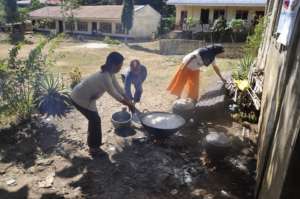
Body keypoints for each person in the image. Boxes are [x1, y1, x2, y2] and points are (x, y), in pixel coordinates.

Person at [70, 52, 135, 157]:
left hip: (87, 98)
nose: (121, 67)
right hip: (80, 98)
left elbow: (119, 89)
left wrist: (129, 101)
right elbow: (115, 95)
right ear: (114, 65)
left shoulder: (110, 73)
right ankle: (94, 149)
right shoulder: (105, 76)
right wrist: (130, 105)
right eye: (120, 65)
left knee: (94, 120)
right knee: (95, 120)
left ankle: (94, 145)